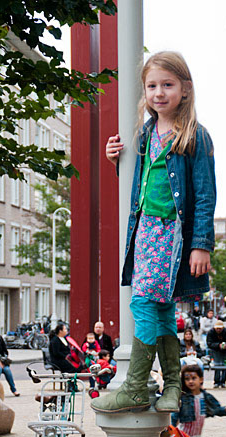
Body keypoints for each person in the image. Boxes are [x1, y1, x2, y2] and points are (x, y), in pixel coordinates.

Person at [91, 51, 216, 414]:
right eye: (152, 86)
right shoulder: (144, 134)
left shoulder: (195, 136)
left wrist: (201, 245)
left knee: (142, 303)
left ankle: (134, 388)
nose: (159, 93)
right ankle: (174, 386)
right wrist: (119, 160)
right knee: (159, 309)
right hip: (144, 230)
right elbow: (139, 187)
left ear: (185, 89)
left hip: (170, 234)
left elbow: (205, 194)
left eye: (167, 84)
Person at [207, 321, 226, 388]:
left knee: (225, 366)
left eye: (220, 329)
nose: (218, 330)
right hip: (216, 350)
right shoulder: (211, 332)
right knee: (217, 365)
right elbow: (209, 343)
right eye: (217, 328)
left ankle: (223, 382)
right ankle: (216, 381)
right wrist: (218, 345)